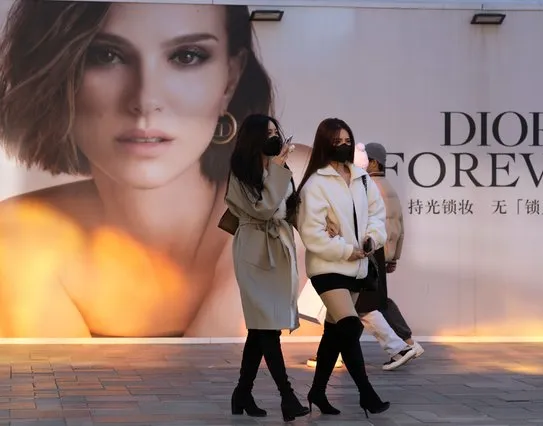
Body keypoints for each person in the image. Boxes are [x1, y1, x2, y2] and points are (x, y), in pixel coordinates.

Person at [0, 1, 311, 337]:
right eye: (106, 55)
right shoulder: (19, 239)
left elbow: (218, 369)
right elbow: (65, 389)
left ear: (230, 79)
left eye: (186, 56)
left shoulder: (286, 182)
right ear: (59, 75)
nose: (145, 100)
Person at [297, 118, 390, 417]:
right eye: (336, 141)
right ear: (325, 144)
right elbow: (312, 233)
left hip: (357, 267)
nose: (344, 145)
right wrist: (346, 250)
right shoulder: (315, 183)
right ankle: (367, 394)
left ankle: (317, 392)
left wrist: (370, 239)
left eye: (347, 139)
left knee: (335, 333)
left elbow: (377, 215)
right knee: (349, 325)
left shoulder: (362, 178)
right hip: (327, 267)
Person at [225, 114, 309, 422]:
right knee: (266, 326)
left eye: (276, 132)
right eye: (267, 133)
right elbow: (261, 209)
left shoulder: (279, 169)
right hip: (253, 251)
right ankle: (287, 396)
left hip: (279, 249)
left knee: (262, 327)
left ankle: (242, 393)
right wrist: (275, 170)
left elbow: (289, 209)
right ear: (252, 138)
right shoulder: (240, 172)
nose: (274, 137)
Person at [365, 142, 424, 358]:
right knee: (373, 302)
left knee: (371, 303)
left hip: (373, 253)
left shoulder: (370, 187)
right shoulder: (387, 186)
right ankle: (408, 343)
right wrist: (394, 256)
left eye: (364, 159)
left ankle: (406, 344)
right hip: (381, 254)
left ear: (373, 162)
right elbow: (399, 225)